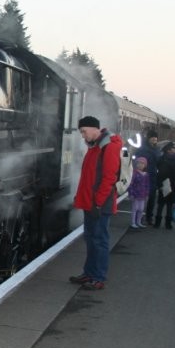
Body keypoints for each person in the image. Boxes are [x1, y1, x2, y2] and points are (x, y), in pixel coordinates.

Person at [69, 115, 122, 290]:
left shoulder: (109, 147)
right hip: (91, 203)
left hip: (99, 204)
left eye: (84, 132)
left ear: (94, 129)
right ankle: (89, 273)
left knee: (99, 240)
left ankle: (98, 277)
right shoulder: (95, 147)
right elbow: (88, 178)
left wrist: (98, 203)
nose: (83, 136)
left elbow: (109, 178)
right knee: (90, 239)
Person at [153, 141, 175, 229]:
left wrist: (159, 184)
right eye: (174, 148)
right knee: (168, 204)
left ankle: (158, 223)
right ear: (169, 150)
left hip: (166, 185)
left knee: (162, 204)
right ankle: (168, 223)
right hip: (170, 185)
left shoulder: (162, 159)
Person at [134, 129, 160, 225]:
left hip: (153, 175)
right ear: (149, 138)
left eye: (156, 138)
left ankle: (149, 216)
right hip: (143, 175)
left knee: (152, 197)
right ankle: (138, 218)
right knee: (141, 197)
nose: (154, 139)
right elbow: (137, 160)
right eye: (153, 137)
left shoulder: (157, 148)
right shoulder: (142, 149)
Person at [127, 156, 150, 228]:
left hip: (142, 195)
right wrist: (131, 193)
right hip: (135, 194)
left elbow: (147, 185)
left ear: (145, 165)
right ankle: (133, 222)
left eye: (142, 163)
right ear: (136, 164)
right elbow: (130, 184)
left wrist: (147, 193)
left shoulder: (146, 175)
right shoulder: (134, 173)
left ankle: (138, 222)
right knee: (135, 209)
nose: (140, 165)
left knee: (141, 209)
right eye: (138, 163)